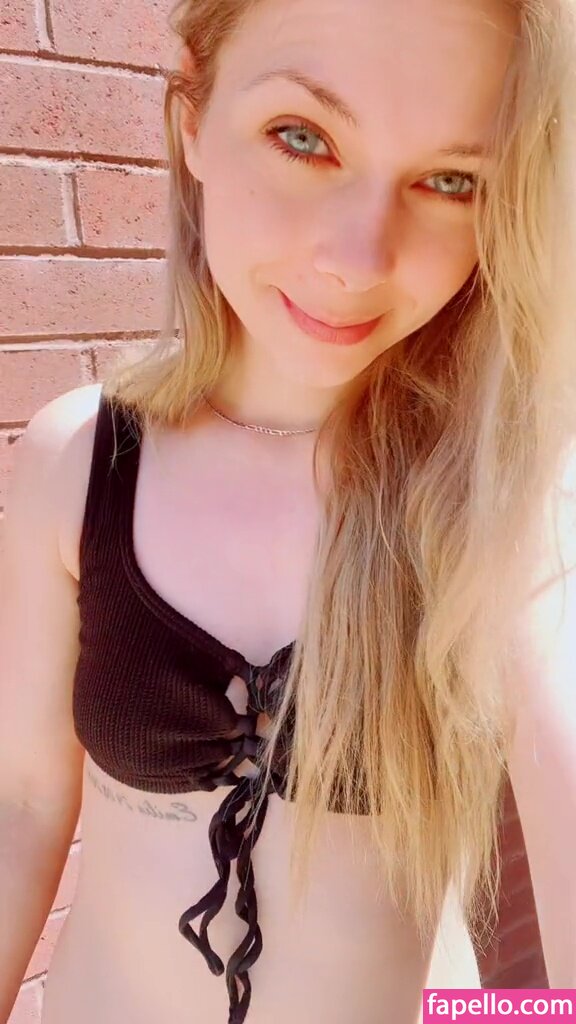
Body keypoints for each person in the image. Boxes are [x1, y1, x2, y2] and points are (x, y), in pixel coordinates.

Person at [2, 0, 576, 1021]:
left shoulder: (505, 503)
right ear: (191, 112)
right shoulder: (79, 461)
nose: (358, 258)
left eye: (451, 180)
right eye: (303, 137)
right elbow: (24, 799)